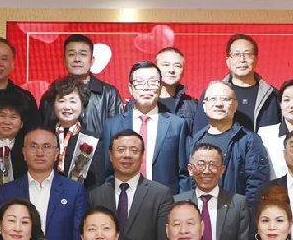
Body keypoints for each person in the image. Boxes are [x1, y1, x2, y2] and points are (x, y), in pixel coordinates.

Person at [0, 127, 89, 240]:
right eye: (33, 146)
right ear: (24, 153)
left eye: (46, 146)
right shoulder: (6, 192)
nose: (40, 153)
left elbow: (79, 239)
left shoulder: (74, 191)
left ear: (57, 153)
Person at [93, 61, 190, 190]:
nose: (146, 87)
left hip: (166, 199)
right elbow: (106, 172)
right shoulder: (112, 125)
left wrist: (179, 200)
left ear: (160, 87)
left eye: (152, 82)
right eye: (139, 82)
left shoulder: (177, 125)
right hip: (124, 197)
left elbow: (184, 174)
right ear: (131, 88)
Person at [88, 129, 173, 240]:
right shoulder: (96, 196)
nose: (127, 155)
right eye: (121, 150)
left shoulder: (160, 195)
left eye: (134, 150)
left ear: (142, 156)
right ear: (110, 155)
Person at [184, 81, 271, 204]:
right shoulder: (195, 140)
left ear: (235, 105)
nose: (219, 104)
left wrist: (245, 213)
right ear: (204, 105)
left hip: (235, 212)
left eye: (225, 99)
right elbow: (189, 181)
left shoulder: (248, 140)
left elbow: (256, 185)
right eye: (213, 99)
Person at [176, 143, 251, 240]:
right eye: (201, 164)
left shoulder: (238, 204)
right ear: (190, 169)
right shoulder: (177, 203)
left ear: (222, 170)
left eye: (212, 165)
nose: (206, 171)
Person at [40, 34, 124, 129]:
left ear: (92, 60)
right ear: (64, 59)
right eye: (71, 54)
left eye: (83, 54)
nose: (77, 59)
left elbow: (119, 132)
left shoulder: (109, 94)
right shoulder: (52, 95)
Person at [45, 77, 99, 184]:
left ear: (82, 105)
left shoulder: (92, 140)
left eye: (73, 101)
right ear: (53, 105)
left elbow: (96, 181)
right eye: (61, 101)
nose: (67, 107)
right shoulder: (43, 137)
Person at [220, 33, 280, 130]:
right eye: (236, 54)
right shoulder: (213, 95)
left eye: (247, 54)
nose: (242, 59)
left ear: (256, 59)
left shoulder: (272, 96)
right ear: (228, 61)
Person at [156, 46, 204, 132]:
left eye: (177, 66)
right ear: (155, 69)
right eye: (166, 65)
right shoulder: (140, 103)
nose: (171, 70)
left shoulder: (193, 106)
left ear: (183, 71)